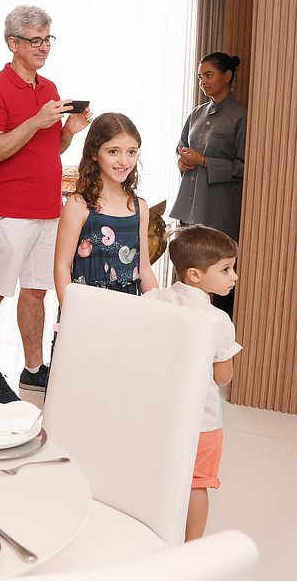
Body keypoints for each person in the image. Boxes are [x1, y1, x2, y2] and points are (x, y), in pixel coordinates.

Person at [0, 5, 92, 404]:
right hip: (9, 210)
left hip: (48, 209)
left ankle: (34, 369)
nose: (43, 47)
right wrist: (36, 122)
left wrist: (68, 131)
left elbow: (48, 149)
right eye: (35, 40)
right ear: (13, 42)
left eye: (47, 39)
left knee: (37, 291)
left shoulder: (50, 88)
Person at [144, 226, 241, 541]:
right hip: (202, 420)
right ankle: (192, 545)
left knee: (161, 473)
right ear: (196, 275)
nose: (234, 276)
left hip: (159, 414)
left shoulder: (155, 299)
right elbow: (223, 377)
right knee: (198, 482)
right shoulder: (218, 320)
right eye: (226, 269)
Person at [55, 113, 159, 306]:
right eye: (113, 152)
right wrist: (70, 314)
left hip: (127, 310)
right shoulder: (79, 205)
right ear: (94, 153)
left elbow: (144, 269)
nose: (124, 161)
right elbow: (62, 266)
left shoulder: (139, 207)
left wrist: (160, 308)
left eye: (131, 152)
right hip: (86, 308)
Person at [171, 52, 246, 316]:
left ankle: (221, 328)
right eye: (200, 76)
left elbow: (245, 167)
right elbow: (181, 147)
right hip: (189, 207)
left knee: (218, 272)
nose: (203, 81)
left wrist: (204, 161)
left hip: (218, 210)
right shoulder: (196, 113)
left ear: (227, 76)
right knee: (187, 273)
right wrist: (182, 161)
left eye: (209, 75)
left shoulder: (240, 116)